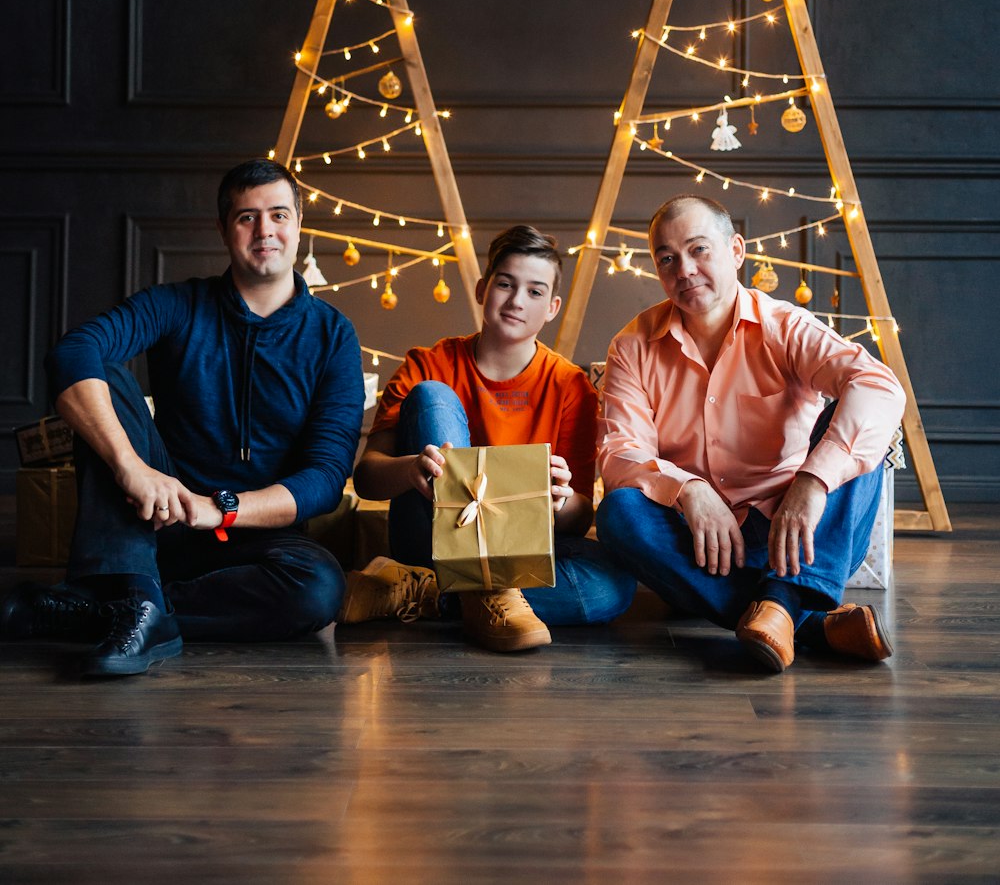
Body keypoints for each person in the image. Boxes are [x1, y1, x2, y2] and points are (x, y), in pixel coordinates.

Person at [2, 158, 364, 677]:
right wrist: (132, 467)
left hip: (257, 540)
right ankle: (134, 596)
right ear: (223, 229)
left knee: (320, 588)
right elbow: (73, 351)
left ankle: (121, 609)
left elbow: (326, 477)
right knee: (104, 370)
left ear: (299, 225)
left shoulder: (333, 336)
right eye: (246, 217)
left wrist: (221, 509)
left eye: (279, 215)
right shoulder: (177, 305)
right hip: (154, 521)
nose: (265, 230)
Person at [595, 194, 906, 673]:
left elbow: (878, 385)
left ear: (736, 250)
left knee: (866, 428)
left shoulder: (785, 326)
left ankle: (779, 602)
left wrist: (813, 481)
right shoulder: (632, 347)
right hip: (700, 545)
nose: (685, 270)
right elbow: (620, 451)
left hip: (801, 533)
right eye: (668, 258)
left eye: (700, 250)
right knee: (619, 513)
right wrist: (688, 489)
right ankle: (801, 619)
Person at [340, 225, 636, 652]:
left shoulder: (570, 386)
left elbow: (578, 517)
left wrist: (559, 499)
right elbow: (367, 478)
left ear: (552, 307)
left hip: (520, 549)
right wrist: (411, 470)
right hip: (429, 538)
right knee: (432, 396)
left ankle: (430, 596)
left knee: (613, 589)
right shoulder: (428, 363)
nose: (517, 301)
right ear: (482, 290)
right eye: (505, 284)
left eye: (535, 292)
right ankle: (487, 595)